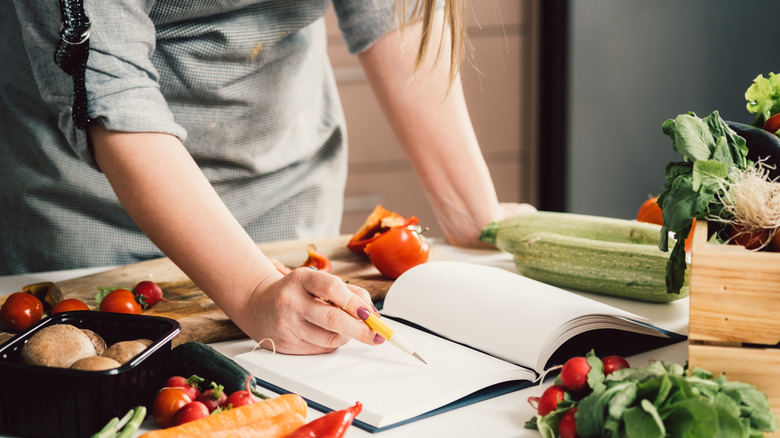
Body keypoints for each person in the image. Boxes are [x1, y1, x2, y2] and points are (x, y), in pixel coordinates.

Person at [2, 0, 534, 354]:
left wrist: (473, 213)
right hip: (86, 213)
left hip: (287, 194)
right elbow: (112, 92)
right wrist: (255, 290)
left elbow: (396, 13)